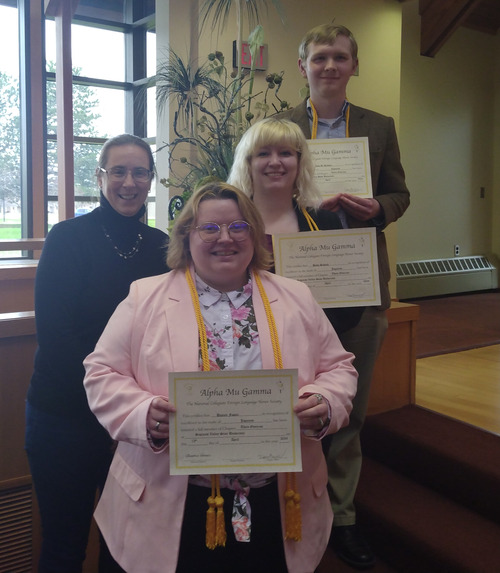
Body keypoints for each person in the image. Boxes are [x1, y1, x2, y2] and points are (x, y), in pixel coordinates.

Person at [82, 182, 358, 573]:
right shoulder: (144, 297)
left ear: (254, 234)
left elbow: (339, 367)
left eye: (238, 227)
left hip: (276, 496)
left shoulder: (296, 296)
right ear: (187, 237)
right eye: (209, 229)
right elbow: (101, 371)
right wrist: (141, 413)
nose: (224, 238)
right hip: (170, 497)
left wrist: (326, 402)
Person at [278, 24, 411, 569]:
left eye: (339, 57)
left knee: (348, 412)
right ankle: (289, 512)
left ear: (353, 66)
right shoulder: (280, 125)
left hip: (358, 285)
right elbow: (256, 187)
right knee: (294, 406)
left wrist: (377, 208)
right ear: (303, 65)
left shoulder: (378, 127)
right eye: (319, 58)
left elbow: (400, 193)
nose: (329, 66)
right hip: (292, 284)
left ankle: (343, 516)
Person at [25, 134, 169, 572]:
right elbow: (56, 335)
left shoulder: (164, 245)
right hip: (64, 418)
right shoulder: (67, 237)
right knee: (65, 547)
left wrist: (129, 411)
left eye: (139, 172)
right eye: (118, 171)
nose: (129, 182)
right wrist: (114, 404)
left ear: (150, 180)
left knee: (125, 546)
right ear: (100, 176)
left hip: (134, 426)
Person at [227, 116, 364, 335]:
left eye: (285, 153)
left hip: (311, 340)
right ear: (248, 163)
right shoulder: (228, 224)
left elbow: (347, 303)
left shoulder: (324, 223)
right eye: (263, 153)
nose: (275, 162)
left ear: (300, 163)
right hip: (241, 342)